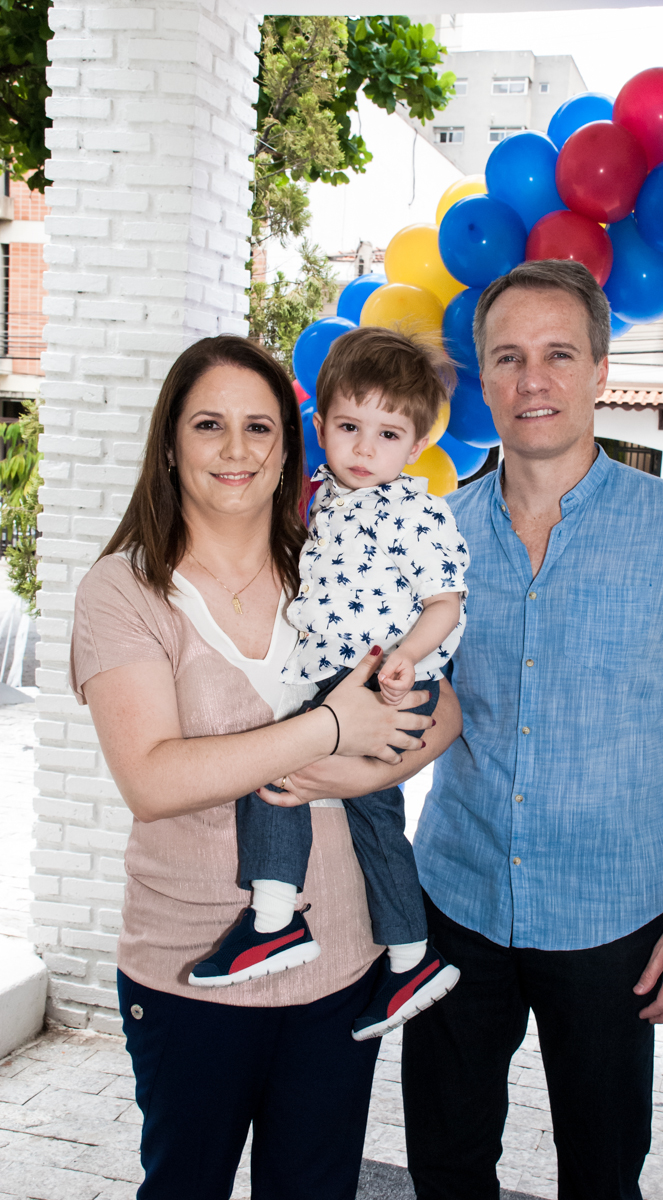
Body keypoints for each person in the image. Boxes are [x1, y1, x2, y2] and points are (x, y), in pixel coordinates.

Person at [401, 260, 663, 1200]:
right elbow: (390, 706)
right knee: (444, 1166)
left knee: (603, 1176)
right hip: (456, 901)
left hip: (617, 921)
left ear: (600, 371)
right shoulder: (435, 536)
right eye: (509, 357)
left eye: (559, 354)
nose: (534, 381)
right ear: (481, 378)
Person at [68, 335, 462, 1200]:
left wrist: (359, 773)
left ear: (291, 443)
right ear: (170, 442)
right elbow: (154, 779)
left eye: (258, 426)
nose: (237, 449)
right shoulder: (124, 590)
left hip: (342, 965)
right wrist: (329, 729)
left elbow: (445, 712)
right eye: (209, 425)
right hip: (190, 966)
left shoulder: (329, 567)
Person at [189, 328, 466, 1041]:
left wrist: (406, 658)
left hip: (383, 679)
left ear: (414, 447)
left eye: (387, 433)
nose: (363, 448)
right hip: (340, 678)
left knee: (277, 765)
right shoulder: (320, 500)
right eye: (349, 427)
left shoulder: (415, 509)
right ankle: (410, 956)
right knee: (373, 819)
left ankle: (275, 920)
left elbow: (445, 602)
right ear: (320, 427)